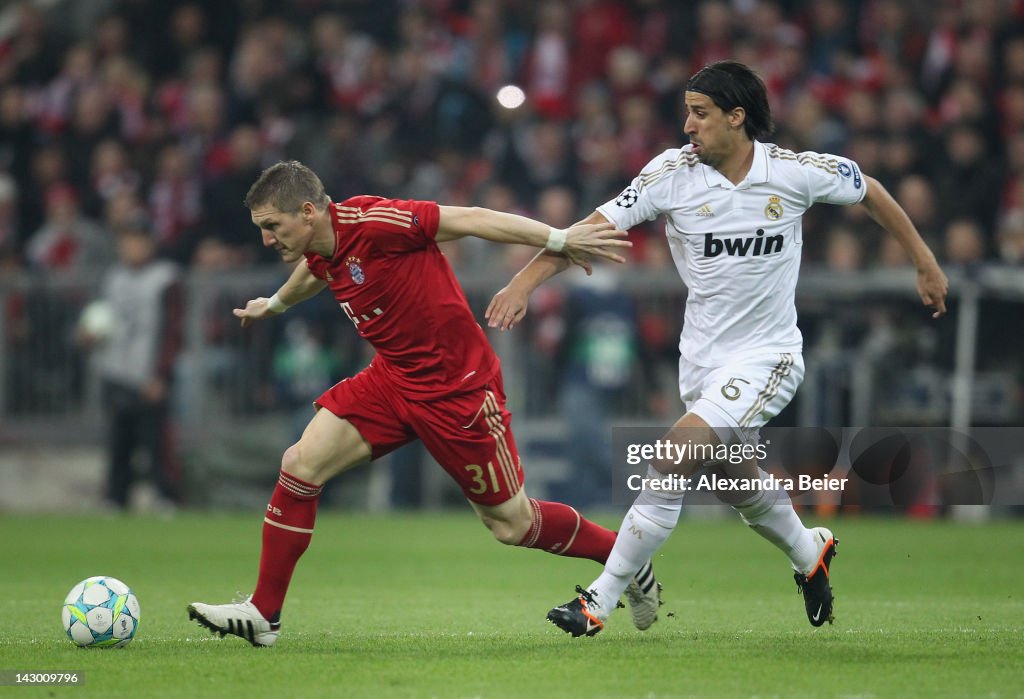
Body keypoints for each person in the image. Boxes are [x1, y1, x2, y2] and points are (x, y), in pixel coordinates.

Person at [485, 60, 949, 636]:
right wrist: (521, 284)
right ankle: (810, 552)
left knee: (673, 455)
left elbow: (870, 190)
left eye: (700, 114)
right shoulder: (670, 176)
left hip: (770, 357)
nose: (687, 126)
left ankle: (599, 601)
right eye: (687, 112)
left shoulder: (792, 172)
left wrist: (925, 264)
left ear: (738, 117)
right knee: (737, 481)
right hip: (702, 363)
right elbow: (592, 230)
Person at [187, 160, 662, 647]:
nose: (267, 240)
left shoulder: (377, 223)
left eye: (272, 226)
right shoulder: (319, 244)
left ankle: (626, 558)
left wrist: (558, 240)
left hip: (459, 391)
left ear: (308, 211)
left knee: (511, 524)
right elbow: (316, 271)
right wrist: (276, 304)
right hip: (391, 380)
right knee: (300, 464)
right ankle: (264, 614)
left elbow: (474, 219)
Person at [77, 220, 184, 510]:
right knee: (117, 440)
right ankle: (115, 497)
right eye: (126, 243)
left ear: (150, 244)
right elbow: (100, 316)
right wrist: (88, 333)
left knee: (156, 439)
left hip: (148, 373)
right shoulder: (112, 277)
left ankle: (166, 496)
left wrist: (161, 374)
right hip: (114, 369)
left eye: (137, 242)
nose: (131, 248)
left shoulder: (166, 278)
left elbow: (173, 331)